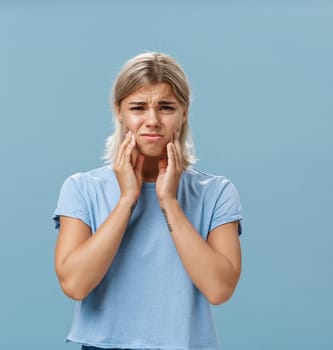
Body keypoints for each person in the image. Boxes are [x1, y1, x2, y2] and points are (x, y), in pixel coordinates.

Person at [52, 52, 243, 350]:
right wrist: (128, 198)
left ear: (184, 112)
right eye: (138, 107)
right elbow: (75, 285)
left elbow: (219, 289)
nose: (152, 121)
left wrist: (168, 200)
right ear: (119, 112)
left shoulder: (216, 192)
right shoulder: (82, 188)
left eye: (166, 107)